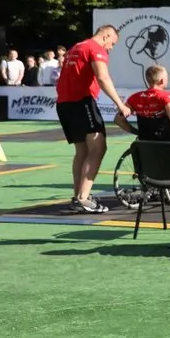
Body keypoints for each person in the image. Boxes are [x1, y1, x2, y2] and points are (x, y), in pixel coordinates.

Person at [55, 25, 133, 214]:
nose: (111, 48)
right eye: (112, 43)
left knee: (82, 151)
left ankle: (78, 197)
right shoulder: (95, 48)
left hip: (64, 103)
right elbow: (103, 77)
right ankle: (82, 198)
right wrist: (120, 104)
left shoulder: (75, 48)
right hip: (81, 102)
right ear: (106, 35)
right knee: (98, 148)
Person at [113, 65, 170, 144]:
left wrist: (137, 132)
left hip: (145, 143)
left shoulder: (134, 98)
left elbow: (118, 120)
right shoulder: (167, 97)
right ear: (162, 80)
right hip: (169, 144)